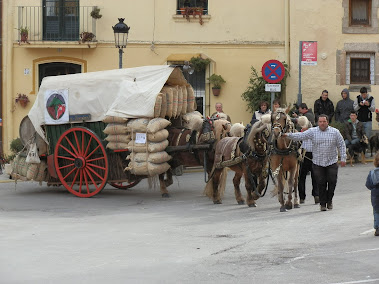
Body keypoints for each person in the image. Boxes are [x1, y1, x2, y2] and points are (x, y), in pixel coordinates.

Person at [284, 114, 346, 211]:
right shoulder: (312, 131)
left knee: (332, 182)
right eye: (320, 121)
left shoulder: (335, 132)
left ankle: (329, 200)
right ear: (317, 122)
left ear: (327, 122)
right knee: (320, 183)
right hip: (318, 162)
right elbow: (300, 136)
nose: (322, 123)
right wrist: (287, 135)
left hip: (332, 161)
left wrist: (343, 158)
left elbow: (341, 145)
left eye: (324, 121)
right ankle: (322, 204)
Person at [297, 116, 319, 205]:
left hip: (313, 155)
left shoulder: (314, 132)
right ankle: (302, 197)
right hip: (302, 156)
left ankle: (316, 195)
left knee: (316, 177)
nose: (303, 127)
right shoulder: (299, 132)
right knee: (300, 177)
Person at [365, 152, 379, 237]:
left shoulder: (372, 173)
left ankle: (377, 228)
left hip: (375, 194)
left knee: (377, 211)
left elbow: (368, 184)